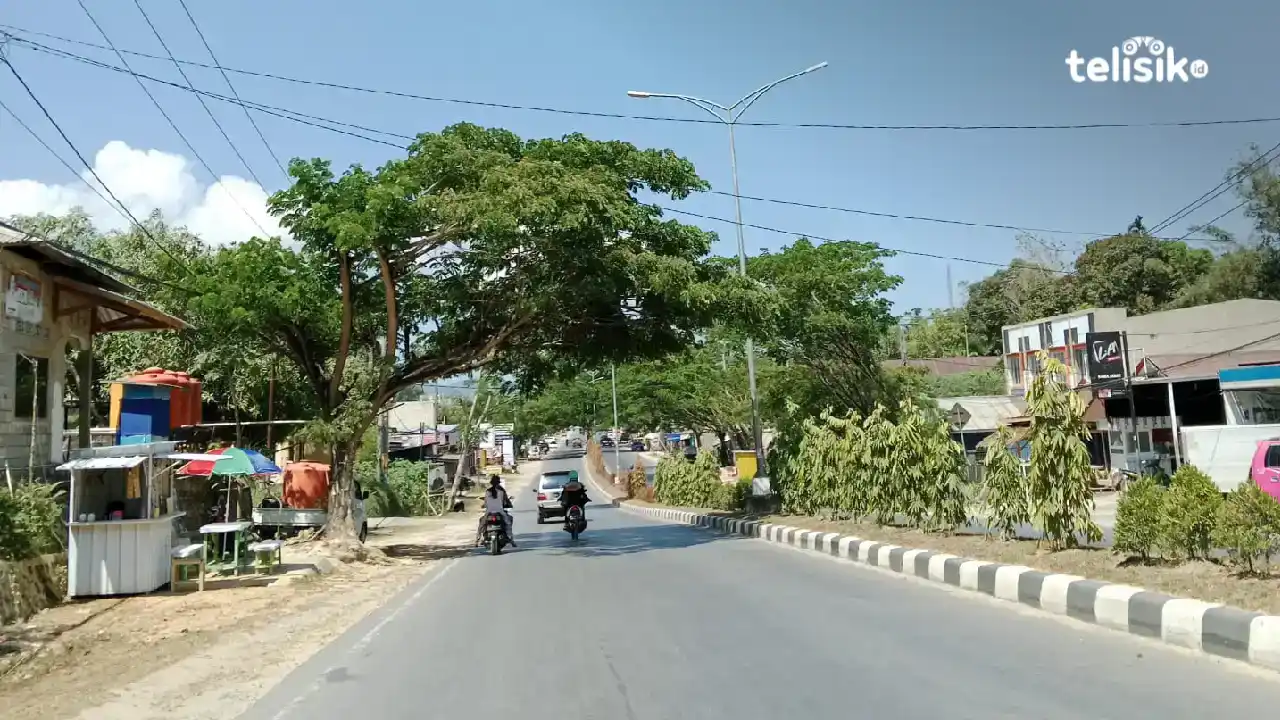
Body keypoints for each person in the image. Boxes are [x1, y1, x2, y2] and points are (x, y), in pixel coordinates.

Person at [476, 475, 516, 548]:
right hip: (500, 511)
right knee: (508, 523)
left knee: (482, 523)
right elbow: (505, 501)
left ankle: (477, 539)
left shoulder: (488, 491)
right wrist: (509, 504)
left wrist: (484, 505)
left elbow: (486, 502)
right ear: (498, 483)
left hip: (489, 512)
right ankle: (510, 538)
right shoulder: (501, 491)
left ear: (491, 483)